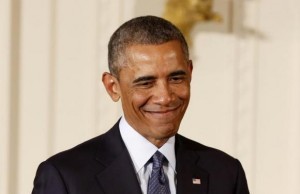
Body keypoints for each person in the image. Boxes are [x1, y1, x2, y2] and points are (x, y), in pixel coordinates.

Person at [32, 15, 249, 194]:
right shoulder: (65, 177)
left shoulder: (226, 173)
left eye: (176, 78)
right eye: (146, 82)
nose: (164, 97)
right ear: (112, 87)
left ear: (190, 73)